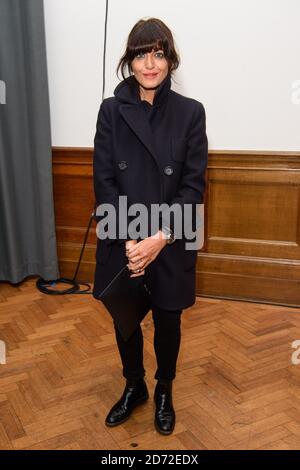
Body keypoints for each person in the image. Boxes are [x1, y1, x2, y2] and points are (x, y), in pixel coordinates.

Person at [92, 17, 208, 435]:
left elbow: (193, 187)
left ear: (170, 60)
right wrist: (129, 242)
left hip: (169, 239)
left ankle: (164, 390)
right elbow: (104, 181)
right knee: (124, 320)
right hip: (123, 236)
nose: (150, 63)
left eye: (158, 53)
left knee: (168, 322)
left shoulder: (191, 114)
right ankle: (134, 385)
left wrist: (158, 240)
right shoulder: (111, 111)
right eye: (142, 54)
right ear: (130, 61)